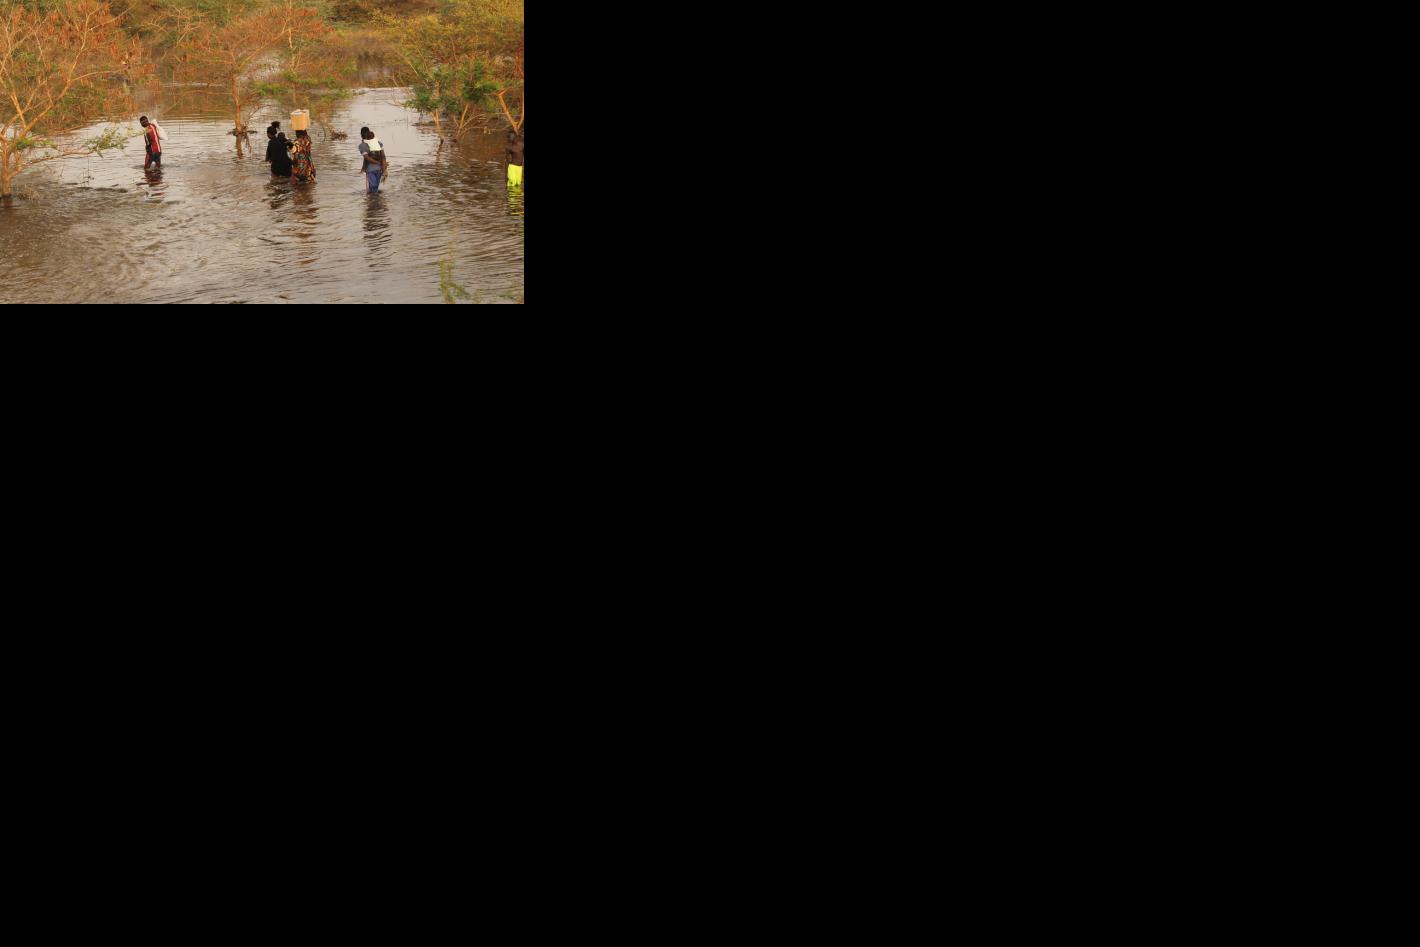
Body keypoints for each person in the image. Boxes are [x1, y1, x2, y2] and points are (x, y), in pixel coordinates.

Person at [358, 127, 388, 194]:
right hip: (379, 168)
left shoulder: (362, 145)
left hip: (371, 169)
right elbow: (383, 156)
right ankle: (376, 199)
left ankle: (372, 199)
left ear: (361, 135)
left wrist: (363, 168)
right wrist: (384, 167)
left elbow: (367, 158)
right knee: (375, 188)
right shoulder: (378, 142)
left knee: (373, 188)